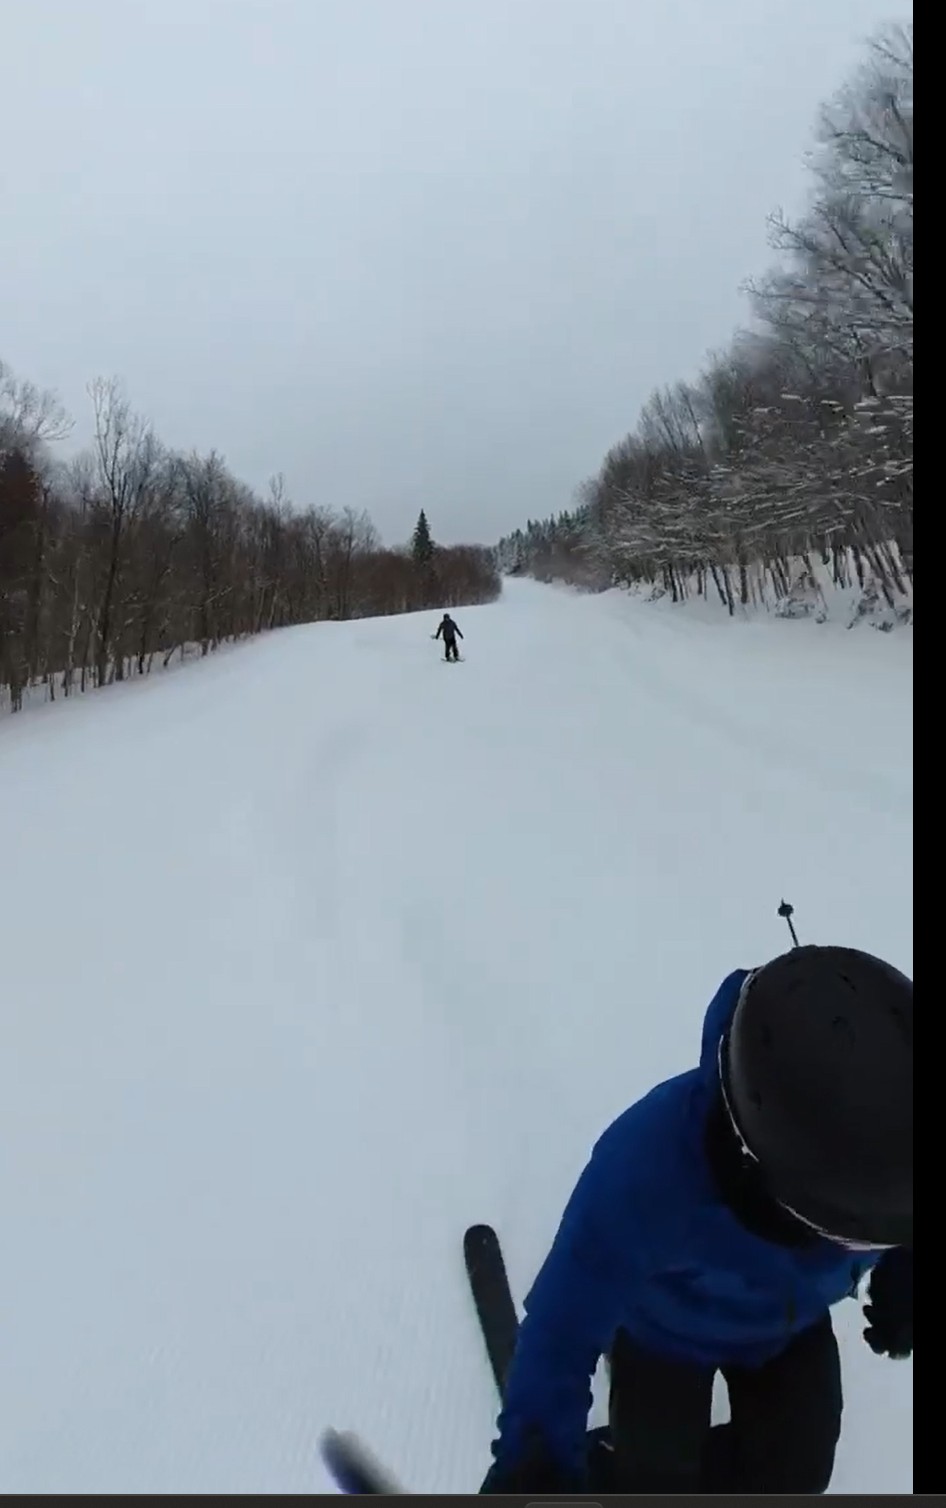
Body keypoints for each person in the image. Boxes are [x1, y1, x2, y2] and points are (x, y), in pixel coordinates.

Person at [480, 945, 913, 1495]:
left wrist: (906, 1270)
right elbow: (562, 1327)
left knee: (796, 1475)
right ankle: (610, 1466)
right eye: (858, 1235)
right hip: (666, 1335)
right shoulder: (646, 1172)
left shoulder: (881, 1159)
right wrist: (534, 1450)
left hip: (790, 1329)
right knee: (653, 1479)